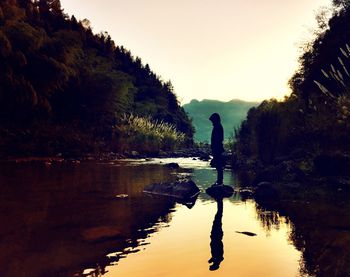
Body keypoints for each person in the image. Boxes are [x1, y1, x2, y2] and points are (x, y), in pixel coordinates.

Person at [209, 113, 224, 186]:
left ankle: (220, 181)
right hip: (217, 148)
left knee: (218, 165)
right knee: (218, 165)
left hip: (217, 148)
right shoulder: (218, 126)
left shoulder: (218, 127)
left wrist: (214, 147)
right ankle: (219, 180)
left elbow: (218, 139)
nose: (212, 122)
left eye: (212, 121)